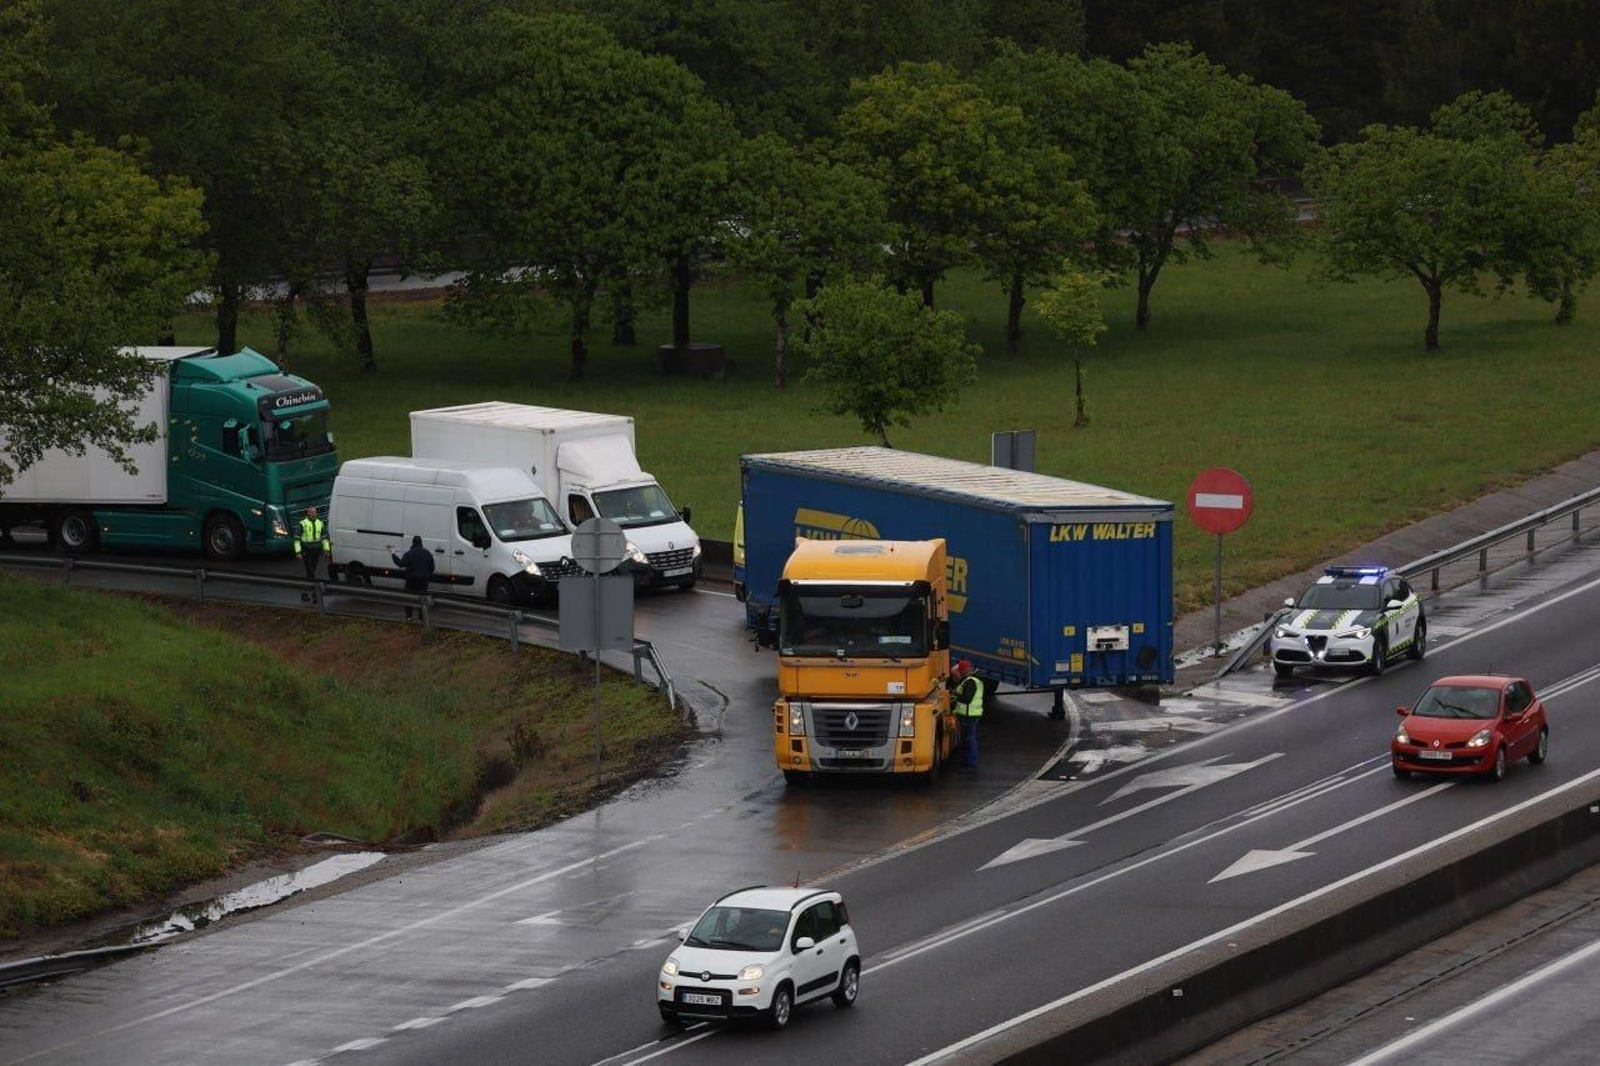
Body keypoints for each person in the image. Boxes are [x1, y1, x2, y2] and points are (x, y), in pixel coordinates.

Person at [950, 659, 985, 770]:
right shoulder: (972, 680)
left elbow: (967, 699)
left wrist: (956, 695)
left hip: (968, 715)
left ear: (963, 670)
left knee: (969, 739)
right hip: (970, 714)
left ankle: (970, 763)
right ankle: (968, 761)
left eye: (960, 671)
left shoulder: (970, 682)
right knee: (968, 739)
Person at [391, 535, 436, 621]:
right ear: (421, 542)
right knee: (422, 599)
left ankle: (409, 616)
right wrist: (426, 576)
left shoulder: (409, 553)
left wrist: (393, 554)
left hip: (411, 580)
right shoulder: (428, 553)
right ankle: (421, 618)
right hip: (423, 581)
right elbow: (432, 568)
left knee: (409, 598)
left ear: (413, 543)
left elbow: (400, 564)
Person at [294, 506, 329, 602]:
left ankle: (304, 593)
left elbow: (324, 538)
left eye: (315, 512)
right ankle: (315, 595)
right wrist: (298, 552)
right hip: (306, 550)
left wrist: (326, 550)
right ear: (308, 513)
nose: (313, 514)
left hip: (316, 551)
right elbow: (296, 539)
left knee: (310, 572)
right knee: (311, 572)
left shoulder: (320, 523)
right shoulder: (303, 524)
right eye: (311, 512)